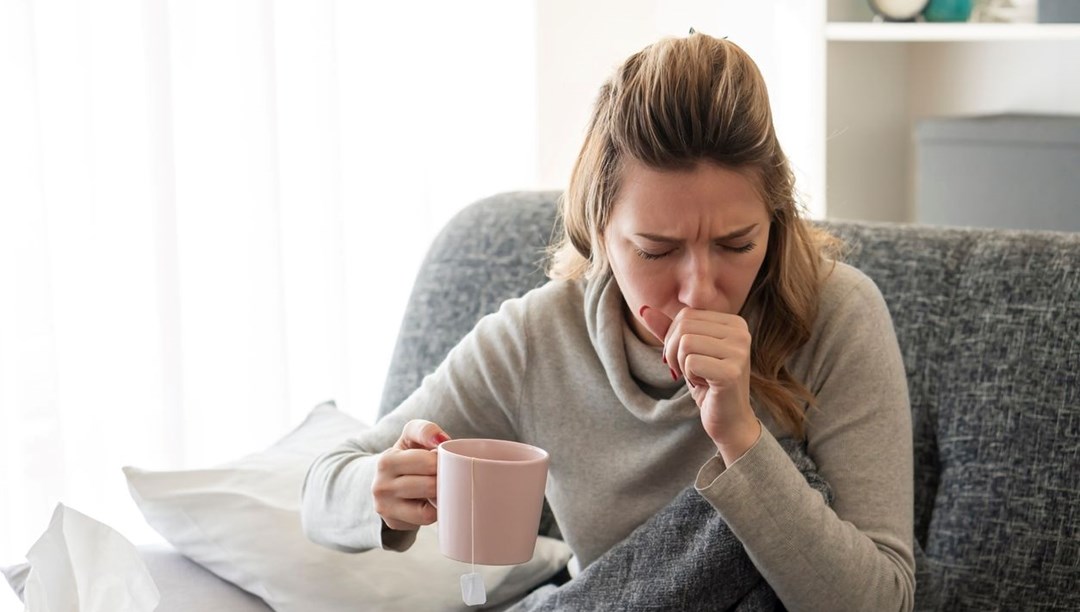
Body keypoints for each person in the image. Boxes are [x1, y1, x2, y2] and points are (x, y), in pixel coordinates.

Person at [301, 32, 914, 610]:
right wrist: (383, 494)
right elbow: (323, 487)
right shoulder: (538, 339)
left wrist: (742, 438)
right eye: (656, 250)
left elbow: (883, 600)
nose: (700, 289)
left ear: (775, 222)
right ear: (597, 234)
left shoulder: (835, 317)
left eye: (736, 244)